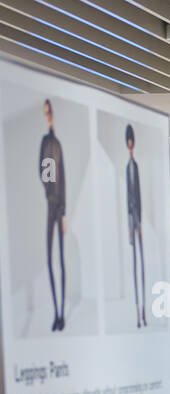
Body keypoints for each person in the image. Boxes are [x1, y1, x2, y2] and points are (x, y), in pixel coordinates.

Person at [39, 100, 66, 332]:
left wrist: (64, 212)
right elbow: (45, 172)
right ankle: (57, 311)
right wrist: (49, 192)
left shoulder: (56, 143)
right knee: (50, 259)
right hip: (51, 204)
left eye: (50, 112)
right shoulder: (47, 143)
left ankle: (62, 313)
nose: (48, 116)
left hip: (58, 206)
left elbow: (62, 178)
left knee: (60, 259)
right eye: (46, 113)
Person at [125, 125, 145, 328]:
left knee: (141, 265)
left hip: (137, 220)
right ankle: (138, 312)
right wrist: (130, 224)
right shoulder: (128, 167)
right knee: (135, 265)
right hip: (132, 220)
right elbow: (128, 199)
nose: (130, 146)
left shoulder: (135, 166)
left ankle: (143, 311)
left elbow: (137, 197)